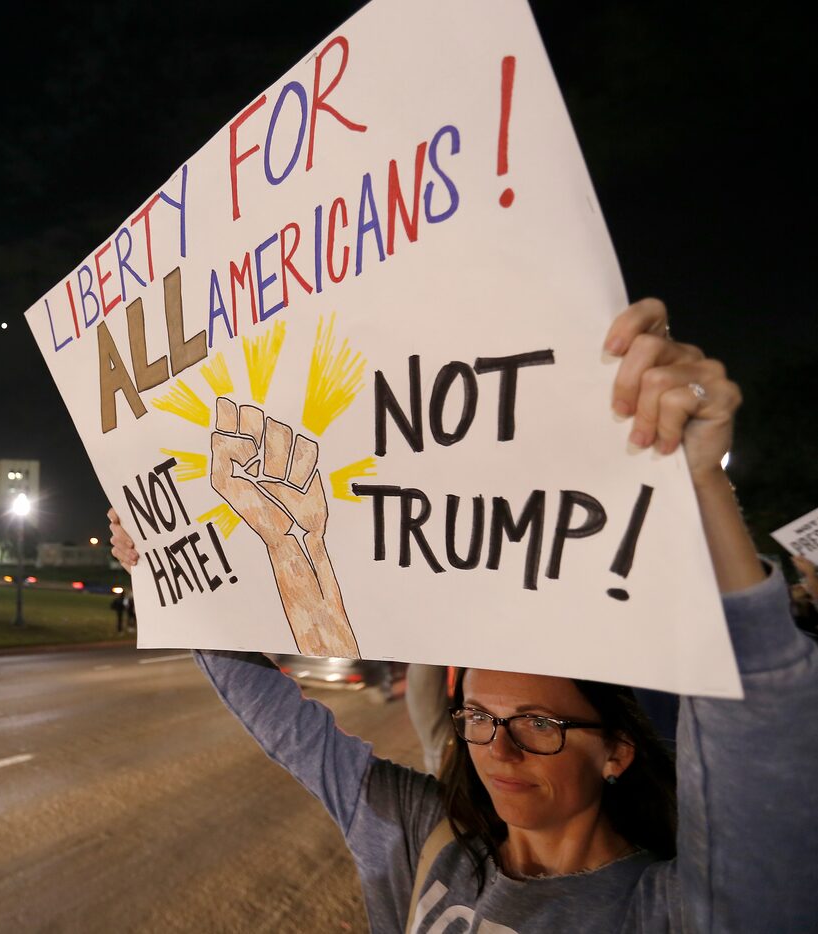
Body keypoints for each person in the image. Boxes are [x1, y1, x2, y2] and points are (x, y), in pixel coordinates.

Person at [107, 301, 818, 932]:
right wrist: (179, 571)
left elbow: (753, 715)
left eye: (538, 724)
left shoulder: (676, 911)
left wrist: (698, 478)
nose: (494, 752)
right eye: (476, 717)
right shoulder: (416, 833)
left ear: (616, 751)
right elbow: (279, 720)